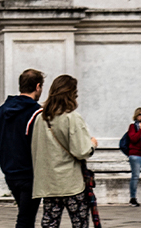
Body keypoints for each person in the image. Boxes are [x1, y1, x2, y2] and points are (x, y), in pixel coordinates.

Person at [29, 75, 97, 228]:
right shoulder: (72, 117)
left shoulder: (41, 118)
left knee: (50, 223)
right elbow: (81, 151)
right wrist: (92, 144)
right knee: (79, 223)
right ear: (71, 94)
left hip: (49, 183)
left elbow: (36, 149)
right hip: (71, 183)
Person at [0, 69, 45, 228]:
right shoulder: (37, 112)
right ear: (37, 86)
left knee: (25, 215)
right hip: (31, 173)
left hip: (9, 171)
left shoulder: (0, 110)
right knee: (26, 219)